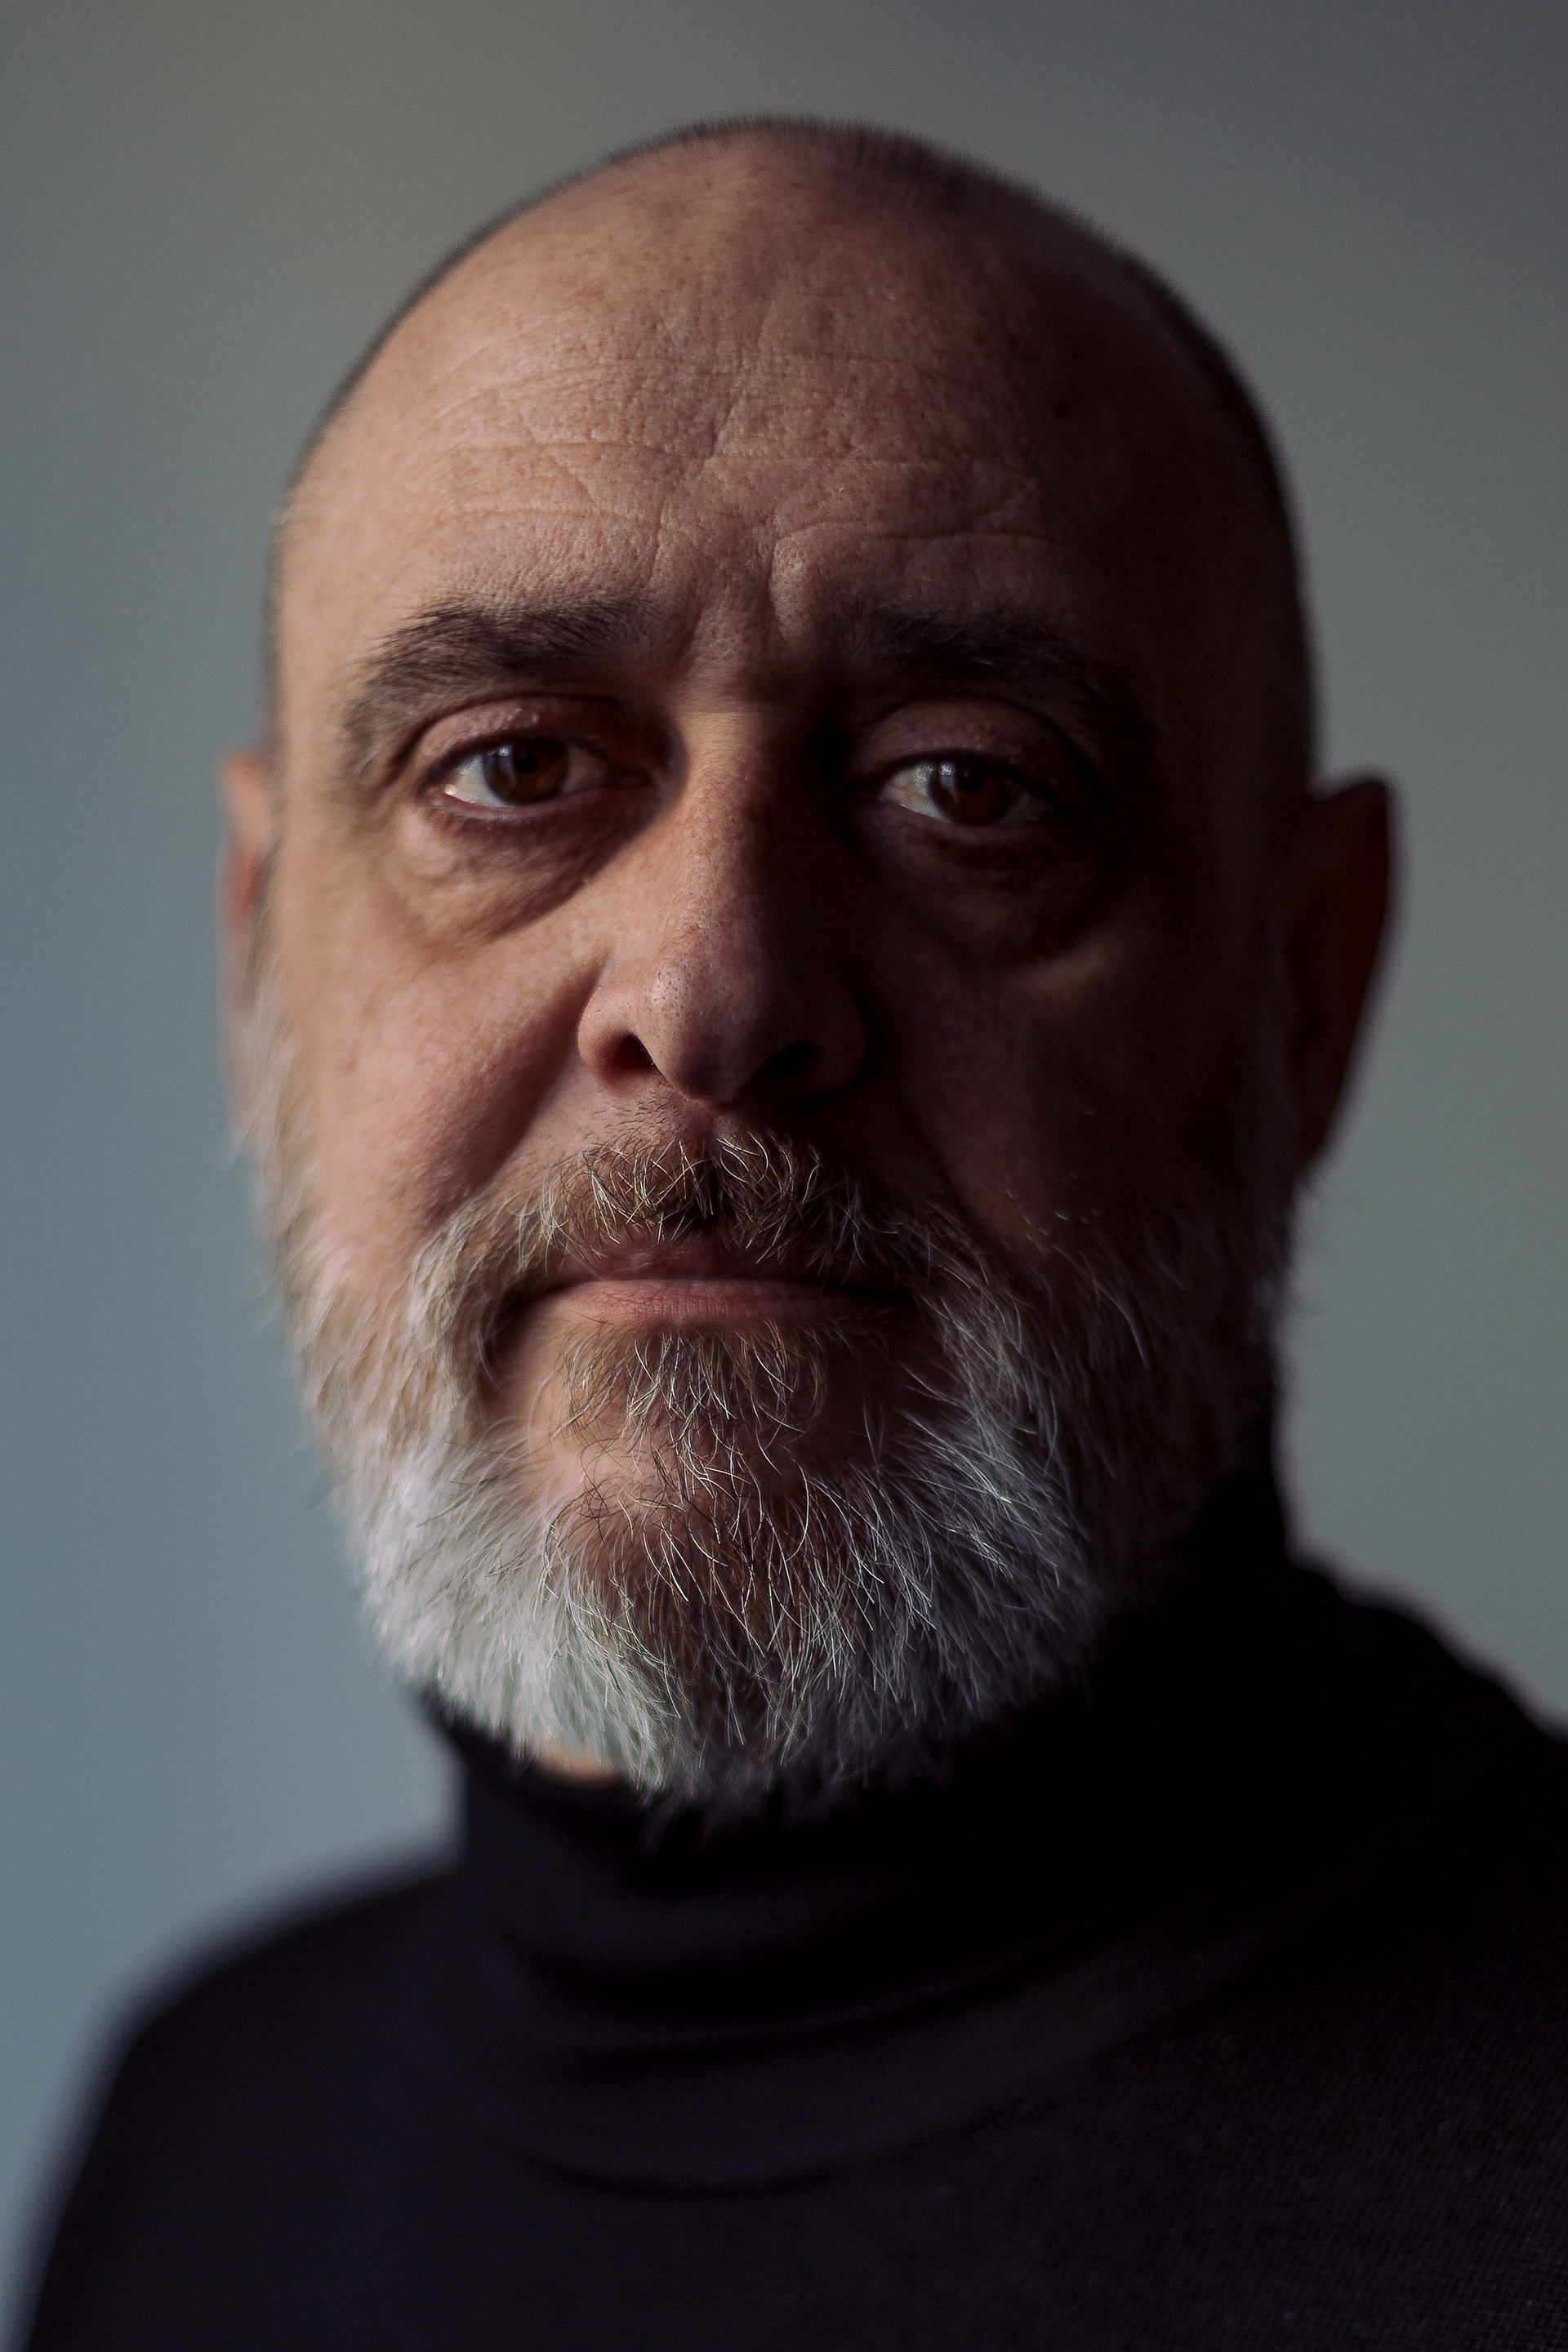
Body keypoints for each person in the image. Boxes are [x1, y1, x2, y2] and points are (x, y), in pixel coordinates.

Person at [19, 119, 1568, 2350]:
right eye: (511, 769)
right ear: (264, 947)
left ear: (1303, 986)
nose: (713, 990)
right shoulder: (201, 2135)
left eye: (969, 784)